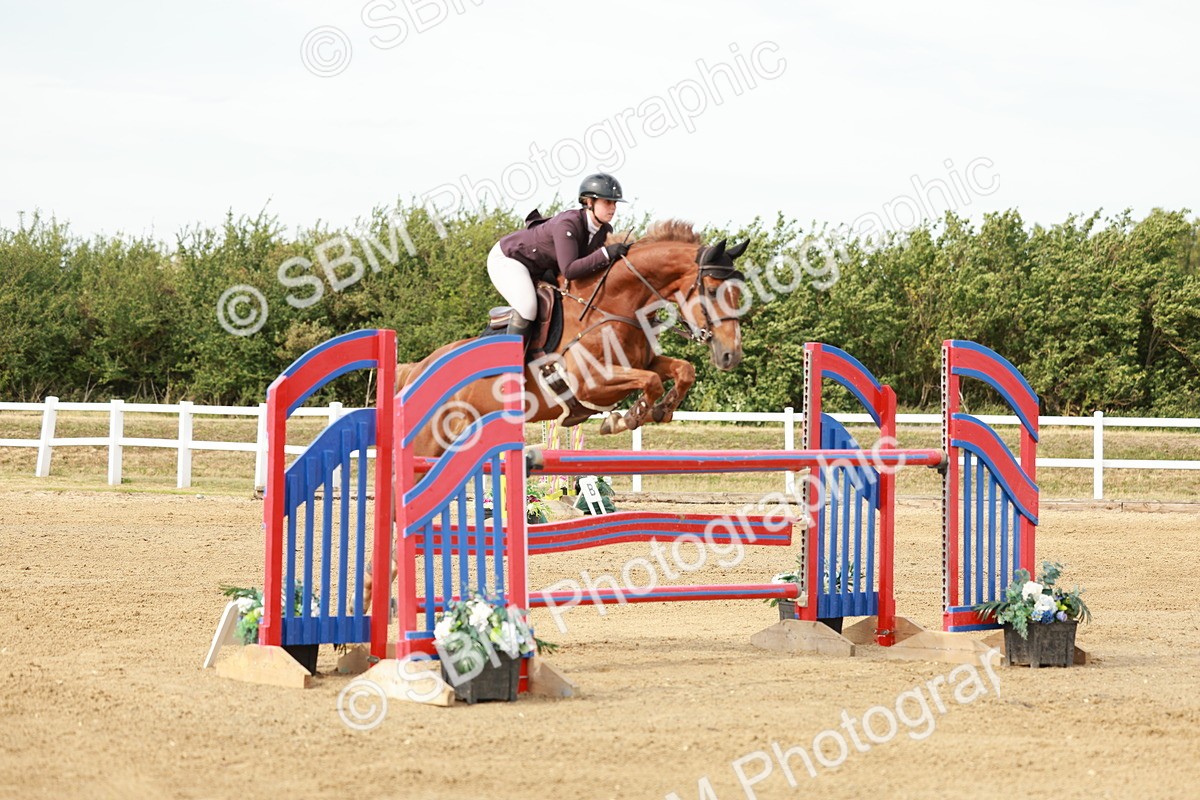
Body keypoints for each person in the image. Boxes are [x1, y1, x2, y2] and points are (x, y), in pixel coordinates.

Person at [488, 173, 631, 354]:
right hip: (509, 259)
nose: (613, 208)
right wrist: (606, 253)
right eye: (607, 202)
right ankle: (510, 368)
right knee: (528, 306)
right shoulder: (568, 224)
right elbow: (570, 269)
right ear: (589, 202)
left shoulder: (604, 230)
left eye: (615, 203)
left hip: (538, 267)